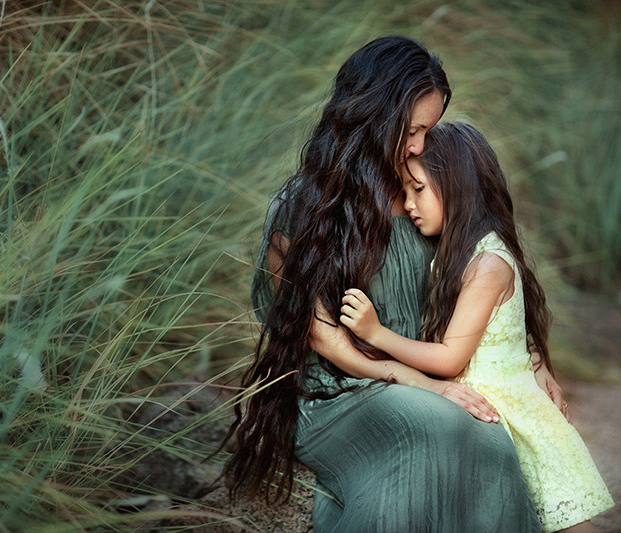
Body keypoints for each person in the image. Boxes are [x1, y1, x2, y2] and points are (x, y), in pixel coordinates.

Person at [223, 36, 553, 531]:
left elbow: (486, 282)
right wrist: (415, 381)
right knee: (429, 427)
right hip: (337, 393)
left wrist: (534, 357)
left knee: (487, 437)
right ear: (374, 113)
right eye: (413, 129)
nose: (420, 145)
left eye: (429, 130)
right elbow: (321, 335)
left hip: (431, 383)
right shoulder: (302, 208)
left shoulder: (430, 200)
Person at [340, 121, 614, 532]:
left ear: (458, 188)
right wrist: (536, 359)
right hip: (491, 411)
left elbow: (451, 359)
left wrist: (376, 333)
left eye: (418, 189)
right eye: (405, 190)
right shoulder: (459, 253)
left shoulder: (488, 264)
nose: (407, 203)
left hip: (513, 419)